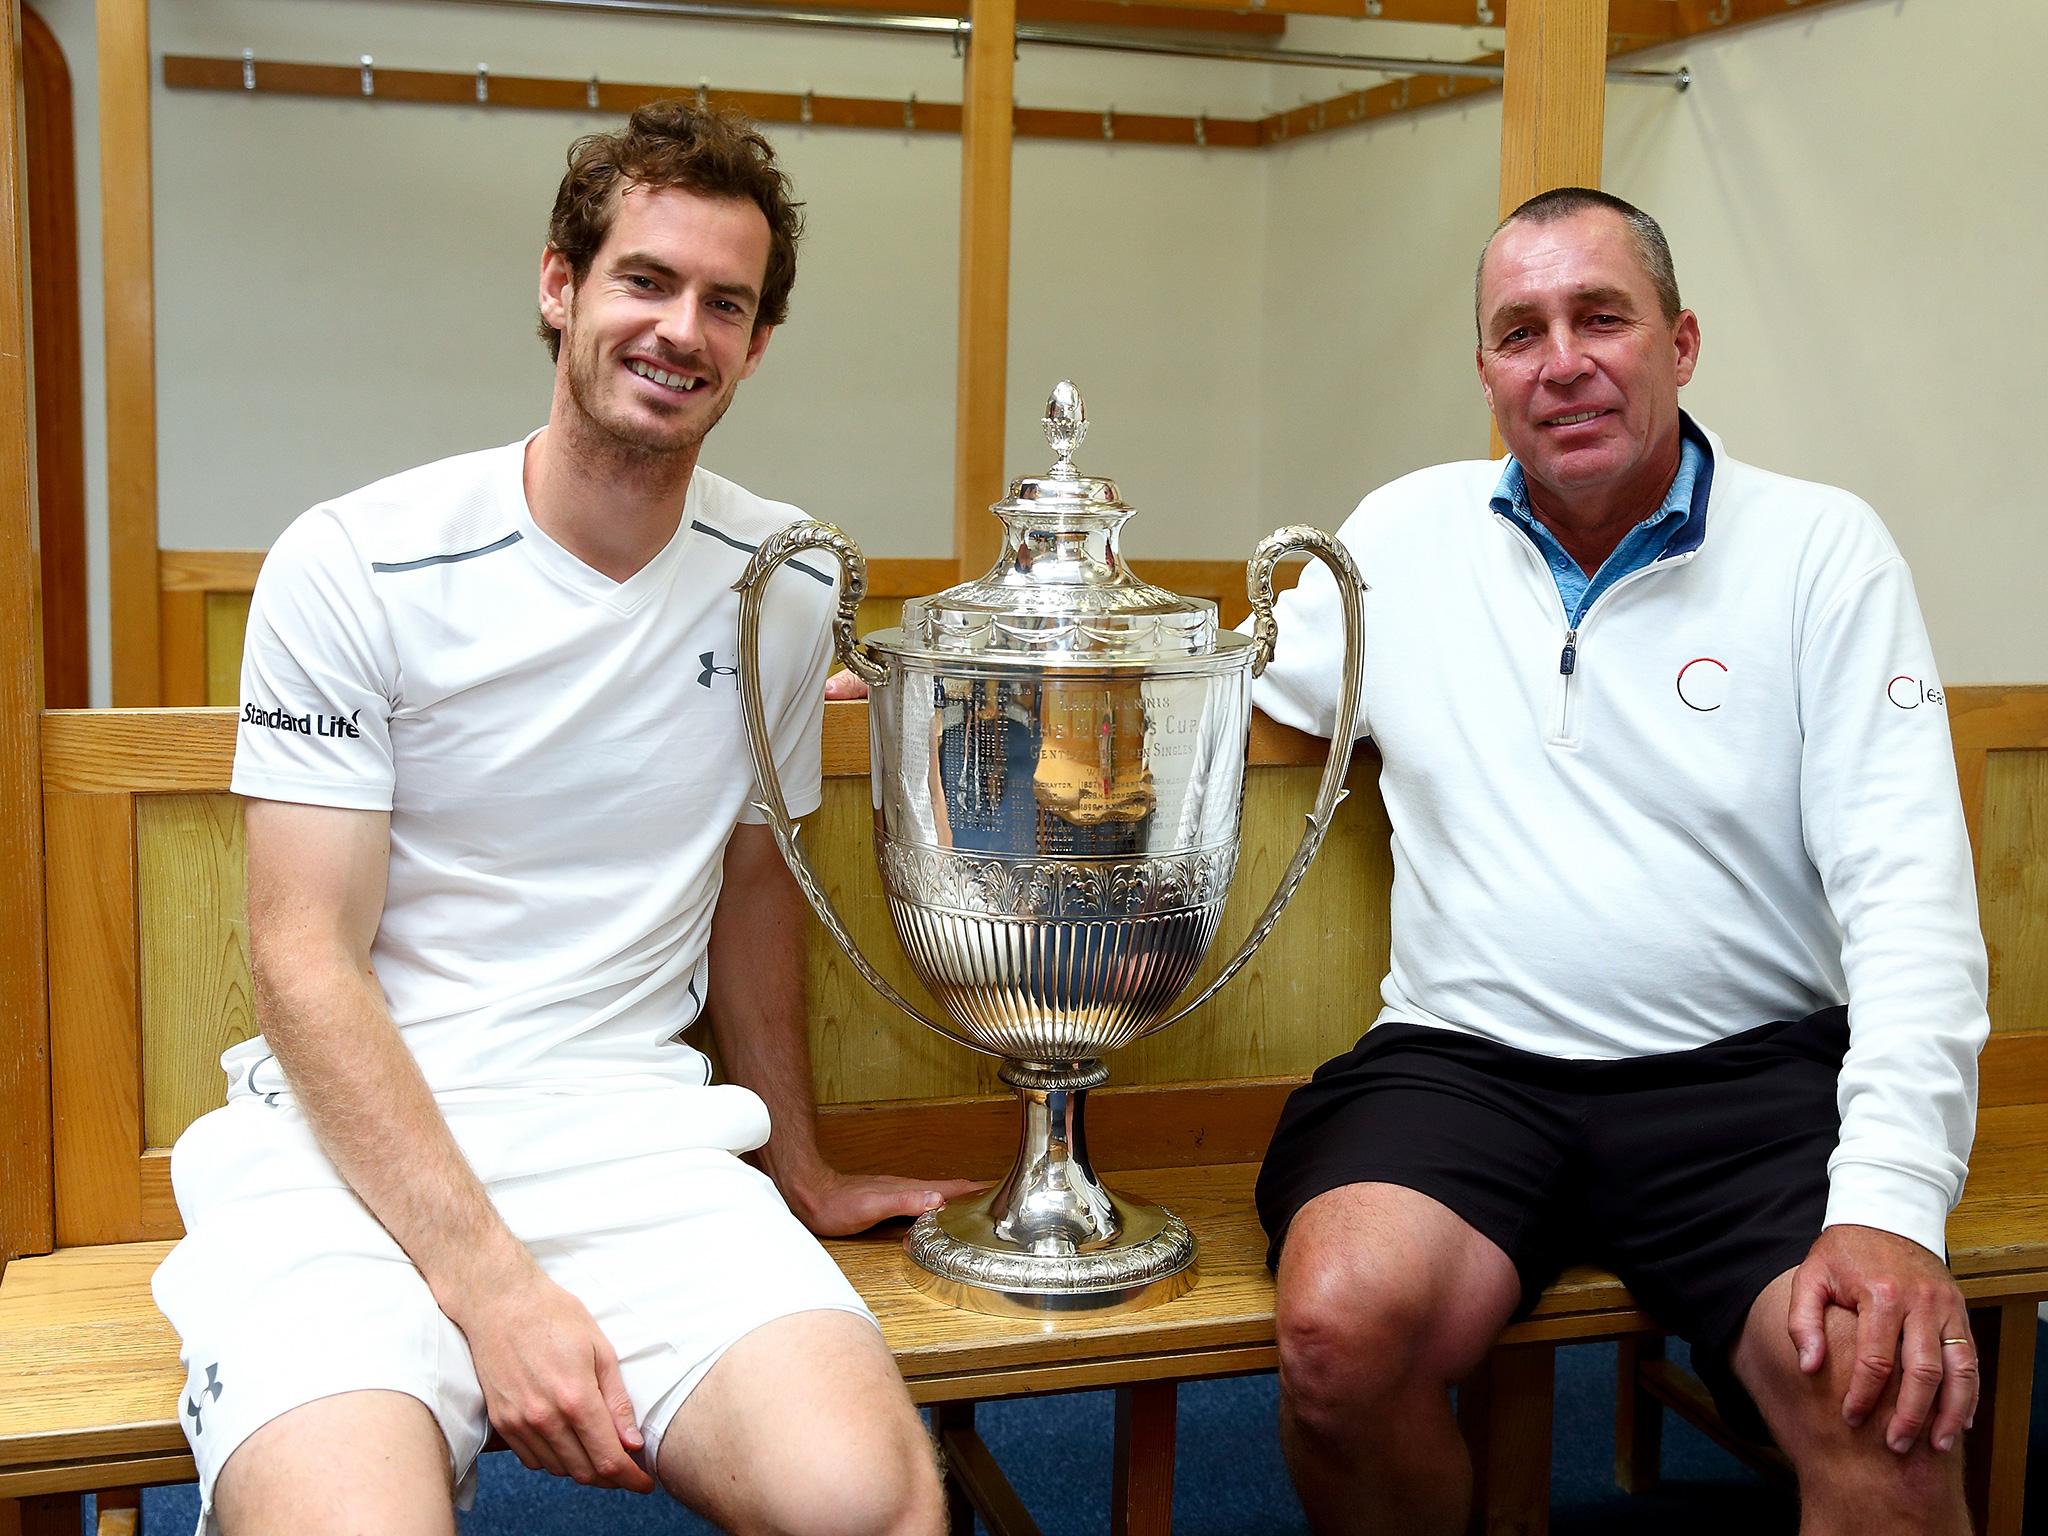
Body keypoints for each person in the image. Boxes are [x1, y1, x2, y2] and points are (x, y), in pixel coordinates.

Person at [152, 102, 971, 1536]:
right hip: (343, 1155)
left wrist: (802, 1164)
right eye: (645, 280)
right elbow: (299, 959)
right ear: (559, 287)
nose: (681, 330)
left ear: (757, 344)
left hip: (628, 1141)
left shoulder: (781, 581)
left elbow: (755, 885)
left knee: (874, 1505)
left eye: (726, 303)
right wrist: (494, 1290)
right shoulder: (355, 563)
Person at [1251, 188, 1988, 1534]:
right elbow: (1226, 682)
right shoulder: (1403, 540)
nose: (1563, 359)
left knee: (1883, 1416)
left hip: (1750, 1079)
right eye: (1520, 331)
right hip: (1469, 1063)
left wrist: (1891, 1205)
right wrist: (882, 685)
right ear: (1486, 374)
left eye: (1603, 316)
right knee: (1337, 1338)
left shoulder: (1822, 551)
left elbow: (1912, 903)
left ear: (1681, 341)